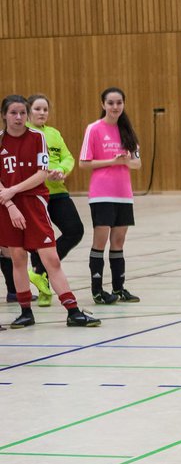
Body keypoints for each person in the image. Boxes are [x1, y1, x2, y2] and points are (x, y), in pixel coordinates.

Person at [0, 95, 100, 328]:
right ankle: (26, 312)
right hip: (6, 206)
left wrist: (13, 191)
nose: (18, 117)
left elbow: (42, 172)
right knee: (17, 258)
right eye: (13, 113)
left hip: (33, 203)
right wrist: (10, 204)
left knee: (51, 259)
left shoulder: (38, 137)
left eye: (22, 113)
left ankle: (73, 311)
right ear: (4, 115)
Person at [80, 87, 142, 305]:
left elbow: (137, 163)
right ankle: (97, 290)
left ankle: (119, 288)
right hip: (102, 194)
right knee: (101, 240)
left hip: (123, 194)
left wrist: (125, 160)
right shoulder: (94, 129)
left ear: (123, 104)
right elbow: (84, 163)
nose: (115, 107)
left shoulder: (128, 130)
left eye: (119, 103)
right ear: (103, 105)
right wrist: (111, 161)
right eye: (111, 103)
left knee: (119, 241)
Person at [24, 94, 86, 307]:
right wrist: (41, 173)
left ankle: (39, 271)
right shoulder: (23, 134)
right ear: (29, 111)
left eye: (45, 109)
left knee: (75, 230)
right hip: (33, 194)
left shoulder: (54, 134)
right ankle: (44, 290)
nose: (42, 113)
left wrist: (60, 170)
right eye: (37, 109)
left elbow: (68, 157)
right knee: (38, 241)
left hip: (57, 192)